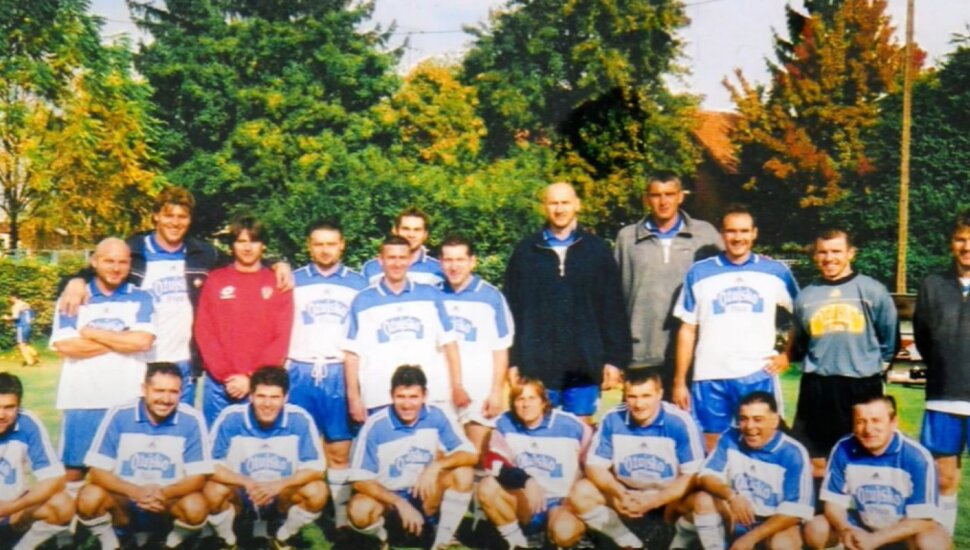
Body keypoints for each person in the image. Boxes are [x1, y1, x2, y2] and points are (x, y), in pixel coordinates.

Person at [57, 186, 293, 406]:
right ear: (156, 216)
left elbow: (243, 258)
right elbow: (105, 265)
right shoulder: (134, 250)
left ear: (189, 220)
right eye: (169, 215)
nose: (175, 222)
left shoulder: (203, 253)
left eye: (182, 217)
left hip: (183, 362)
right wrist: (77, 280)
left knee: (179, 431)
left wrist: (276, 264)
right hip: (139, 361)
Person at [672, 204, 799, 450]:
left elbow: (802, 315)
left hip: (757, 373)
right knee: (711, 445)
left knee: (761, 442)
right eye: (731, 231)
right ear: (722, 233)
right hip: (709, 374)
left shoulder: (775, 271)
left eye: (744, 231)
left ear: (754, 233)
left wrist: (788, 353)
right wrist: (679, 381)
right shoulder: (699, 272)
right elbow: (687, 329)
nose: (738, 237)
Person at [503, 182, 631, 421]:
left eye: (565, 202)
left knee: (581, 435)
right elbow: (512, 311)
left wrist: (614, 360)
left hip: (584, 366)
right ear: (544, 207)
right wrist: (513, 361)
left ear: (577, 205)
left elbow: (612, 309)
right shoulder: (526, 252)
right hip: (537, 366)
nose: (559, 209)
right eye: (554, 203)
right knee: (539, 434)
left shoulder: (597, 250)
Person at [50, 238, 156, 489]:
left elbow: (142, 342)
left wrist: (89, 332)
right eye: (109, 261)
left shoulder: (141, 297)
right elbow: (66, 346)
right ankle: (70, 515)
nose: (116, 268)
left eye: (123, 262)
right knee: (74, 471)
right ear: (94, 261)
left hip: (127, 402)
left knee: (127, 471)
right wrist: (122, 339)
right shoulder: (74, 297)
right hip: (82, 400)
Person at [791, 229, 898, 478]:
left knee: (864, 454)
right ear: (815, 256)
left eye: (836, 251)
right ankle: (820, 503)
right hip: (818, 386)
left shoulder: (872, 291)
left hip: (861, 385)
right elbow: (802, 342)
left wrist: (873, 367)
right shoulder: (805, 296)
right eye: (823, 252)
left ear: (851, 253)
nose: (829, 258)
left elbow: (889, 338)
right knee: (815, 460)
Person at [76, 362, 211, 549]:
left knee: (196, 506)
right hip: (124, 501)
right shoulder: (120, 414)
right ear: (144, 389)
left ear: (181, 392)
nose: (166, 399)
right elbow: (97, 471)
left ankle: (170, 543)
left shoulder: (192, 419)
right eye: (159, 390)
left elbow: (197, 477)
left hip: (166, 502)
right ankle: (112, 544)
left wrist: (163, 493)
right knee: (89, 496)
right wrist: (135, 492)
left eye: (173, 392)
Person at [286, 220, 368, 529]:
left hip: (337, 370)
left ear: (342, 245)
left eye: (331, 244)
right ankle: (287, 512)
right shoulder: (292, 280)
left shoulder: (358, 283)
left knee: (338, 449)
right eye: (318, 244)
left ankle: (341, 520)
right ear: (309, 246)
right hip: (300, 369)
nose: (324, 250)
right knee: (295, 447)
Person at [569, 369, 705, 549]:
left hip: (669, 497)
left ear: (659, 394)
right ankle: (629, 543)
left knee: (704, 502)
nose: (639, 404)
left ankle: (678, 544)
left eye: (646, 396)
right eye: (632, 396)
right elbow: (594, 466)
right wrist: (619, 493)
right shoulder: (612, 418)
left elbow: (692, 474)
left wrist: (655, 501)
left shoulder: (680, 422)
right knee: (581, 491)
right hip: (628, 494)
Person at [614, 173, 722, 396]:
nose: (663, 201)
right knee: (641, 414)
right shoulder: (627, 237)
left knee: (685, 416)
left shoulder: (705, 234)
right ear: (646, 198)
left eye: (670, 194)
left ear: (680, 196)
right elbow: (614, 297)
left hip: (690, 351)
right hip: (641, 349)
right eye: (656, 195)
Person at [347, 365, 476, 549]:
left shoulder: (436, 416)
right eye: (401, 396)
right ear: (391, 396)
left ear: (424, 395)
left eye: (414, 397)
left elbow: (470, 454)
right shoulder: (375, 425)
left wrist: (436, 466)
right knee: (359, 509)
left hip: (422, 494)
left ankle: (442, 541)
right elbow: (359, 480)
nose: (407, 404)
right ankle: (384, 538)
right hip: (389, 501)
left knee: (463, 473)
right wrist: (399, 502)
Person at [205, 366, 328, 550]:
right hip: (242, 494)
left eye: (275, 397)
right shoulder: (231, 417)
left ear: (285, 398)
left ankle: (283, 536)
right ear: (251, 396)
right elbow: (210, 466)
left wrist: (279, 485)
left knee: (317, 491)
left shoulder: (300, 419)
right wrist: (246, 482)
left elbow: (316, 468)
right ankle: (228, 540)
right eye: (261, 396)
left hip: (282, 496)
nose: (267, 404)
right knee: (211, 490)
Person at [344, 236, 466, 423]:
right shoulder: (363, 300)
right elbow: (352, 355)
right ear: (380, 260)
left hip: (429, 396)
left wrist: (457, 386)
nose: (397, 263)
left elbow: (450, 344)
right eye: (391, 257)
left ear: (409, 259)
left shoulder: (430, 295)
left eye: (402, 258)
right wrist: (354, 398)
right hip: (379, 396)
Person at [803, 395, 949, 550]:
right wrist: (846, 529)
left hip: (904, 530)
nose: (868, 430)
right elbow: (833, 503)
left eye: (876, 421)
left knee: (932, 541)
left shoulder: (916, 456)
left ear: (893, 422)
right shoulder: (843, 448)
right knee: (817, 527)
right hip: (863, 525)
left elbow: (923, 519)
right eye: (860, 421)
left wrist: (876, 539)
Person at [194, 215, 294, 425]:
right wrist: (226, 375)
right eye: (241, 241)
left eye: (254, 241)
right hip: (220, 385)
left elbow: (281, 337)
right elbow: (204, 331)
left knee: (256, 443)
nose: (247, 247)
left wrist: (252, 378)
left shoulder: (277, 283)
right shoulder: (216, 279)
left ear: (263, 245)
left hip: (262, 387)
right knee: (216, 443)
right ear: (232, 245)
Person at [689, 391, 813, 550]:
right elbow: (706, 476)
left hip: (773, 522)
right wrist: (732, 496)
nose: (749, 426)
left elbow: (795, 511)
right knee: (703, 499)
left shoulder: (793, 452)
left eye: (758, 419)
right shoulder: (730, 438)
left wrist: (750, 538)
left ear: (774, 421)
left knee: (783, 544)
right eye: (744, 419)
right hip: (736, 515)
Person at [478, 378, 591, 549]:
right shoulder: (505, 423)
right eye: (520, 399)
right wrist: (526, 480)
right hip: (528, 499)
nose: (526, 405)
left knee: (564, 533)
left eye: (532, 398)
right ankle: (518, 543)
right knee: (487, 486)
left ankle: (570, 534)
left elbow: (593, 462)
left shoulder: (570, 425)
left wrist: (574, 496)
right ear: (513, 403)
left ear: (543, 402)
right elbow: (494, 463)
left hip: (562, 501)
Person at [913, 207, 970, 536]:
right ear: (951, 242)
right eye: (960, 239)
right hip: (943, 395)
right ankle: (943, 540)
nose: (966, 247)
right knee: (943, 478)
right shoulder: (932, 285)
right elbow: (923, 337)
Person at [439, 235, 514, 459]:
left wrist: (496, 392)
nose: (454, 266)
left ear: (472, 262)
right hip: (442, 390)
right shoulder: (433, 295)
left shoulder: (491, 296)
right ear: (441, 262)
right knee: (445, 458)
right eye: (448, 260)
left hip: (480, 390)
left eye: (460, 259)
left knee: (477, 456)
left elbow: (501, 349)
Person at [0, 373, 73, 550]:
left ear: (19, 406)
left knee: (62, 504)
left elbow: (55, 479)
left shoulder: (26, 422)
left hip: (12, 511)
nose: (1, 415)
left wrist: (11, 507)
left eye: (9, 407)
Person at [361, 207, 443, 286]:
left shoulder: (438, 269)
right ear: (395, 231)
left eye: (417, 230)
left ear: (425, 234)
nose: (411, 235)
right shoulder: (371, 268)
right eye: (406, 229)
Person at [5, 295, 39, 367]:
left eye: (10, 298)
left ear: (14, 298)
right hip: (28, 326)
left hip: (21, 326)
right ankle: (34, 353)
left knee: (21, 345)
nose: (10, 300)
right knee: (24, 343)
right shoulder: (27, 304)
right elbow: (33, 317)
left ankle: (31, 361)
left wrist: (7, 318)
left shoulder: (16, 306)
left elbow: (15, 317)